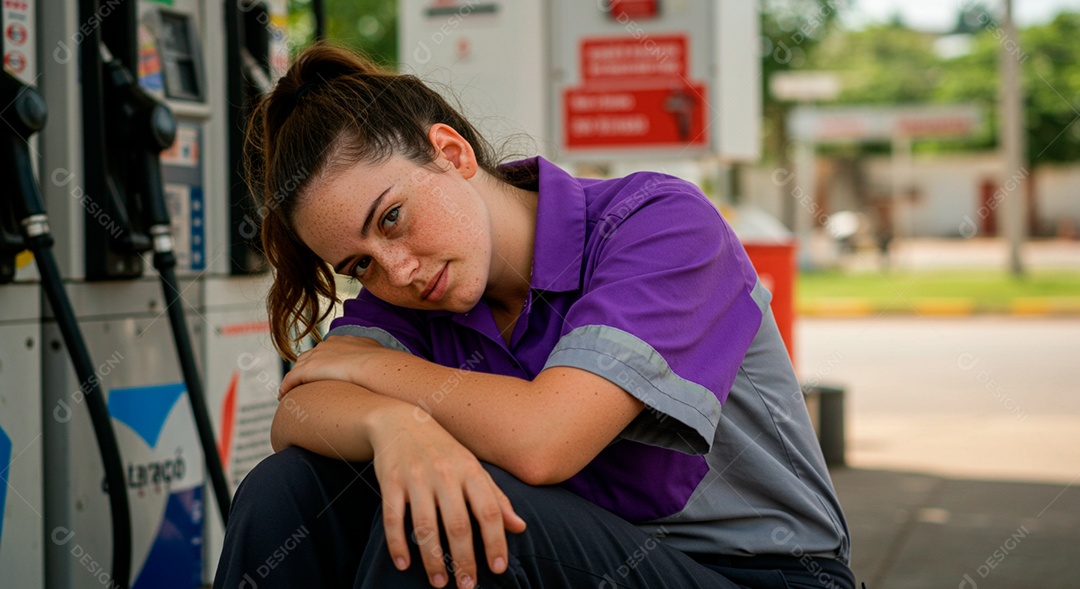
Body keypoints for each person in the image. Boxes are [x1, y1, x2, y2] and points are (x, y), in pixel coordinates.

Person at [214, 43, 855, 589]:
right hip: (575, 557)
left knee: (457, 518)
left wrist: (369, 369)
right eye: (359, 265)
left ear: (452, 153)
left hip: (758, 574)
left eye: (392, 218)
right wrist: (393, 425)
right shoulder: (420, 289)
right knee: (287, 488)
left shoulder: (659, 224)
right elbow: (299, 413)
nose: (397, 271)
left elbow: (543, 441)